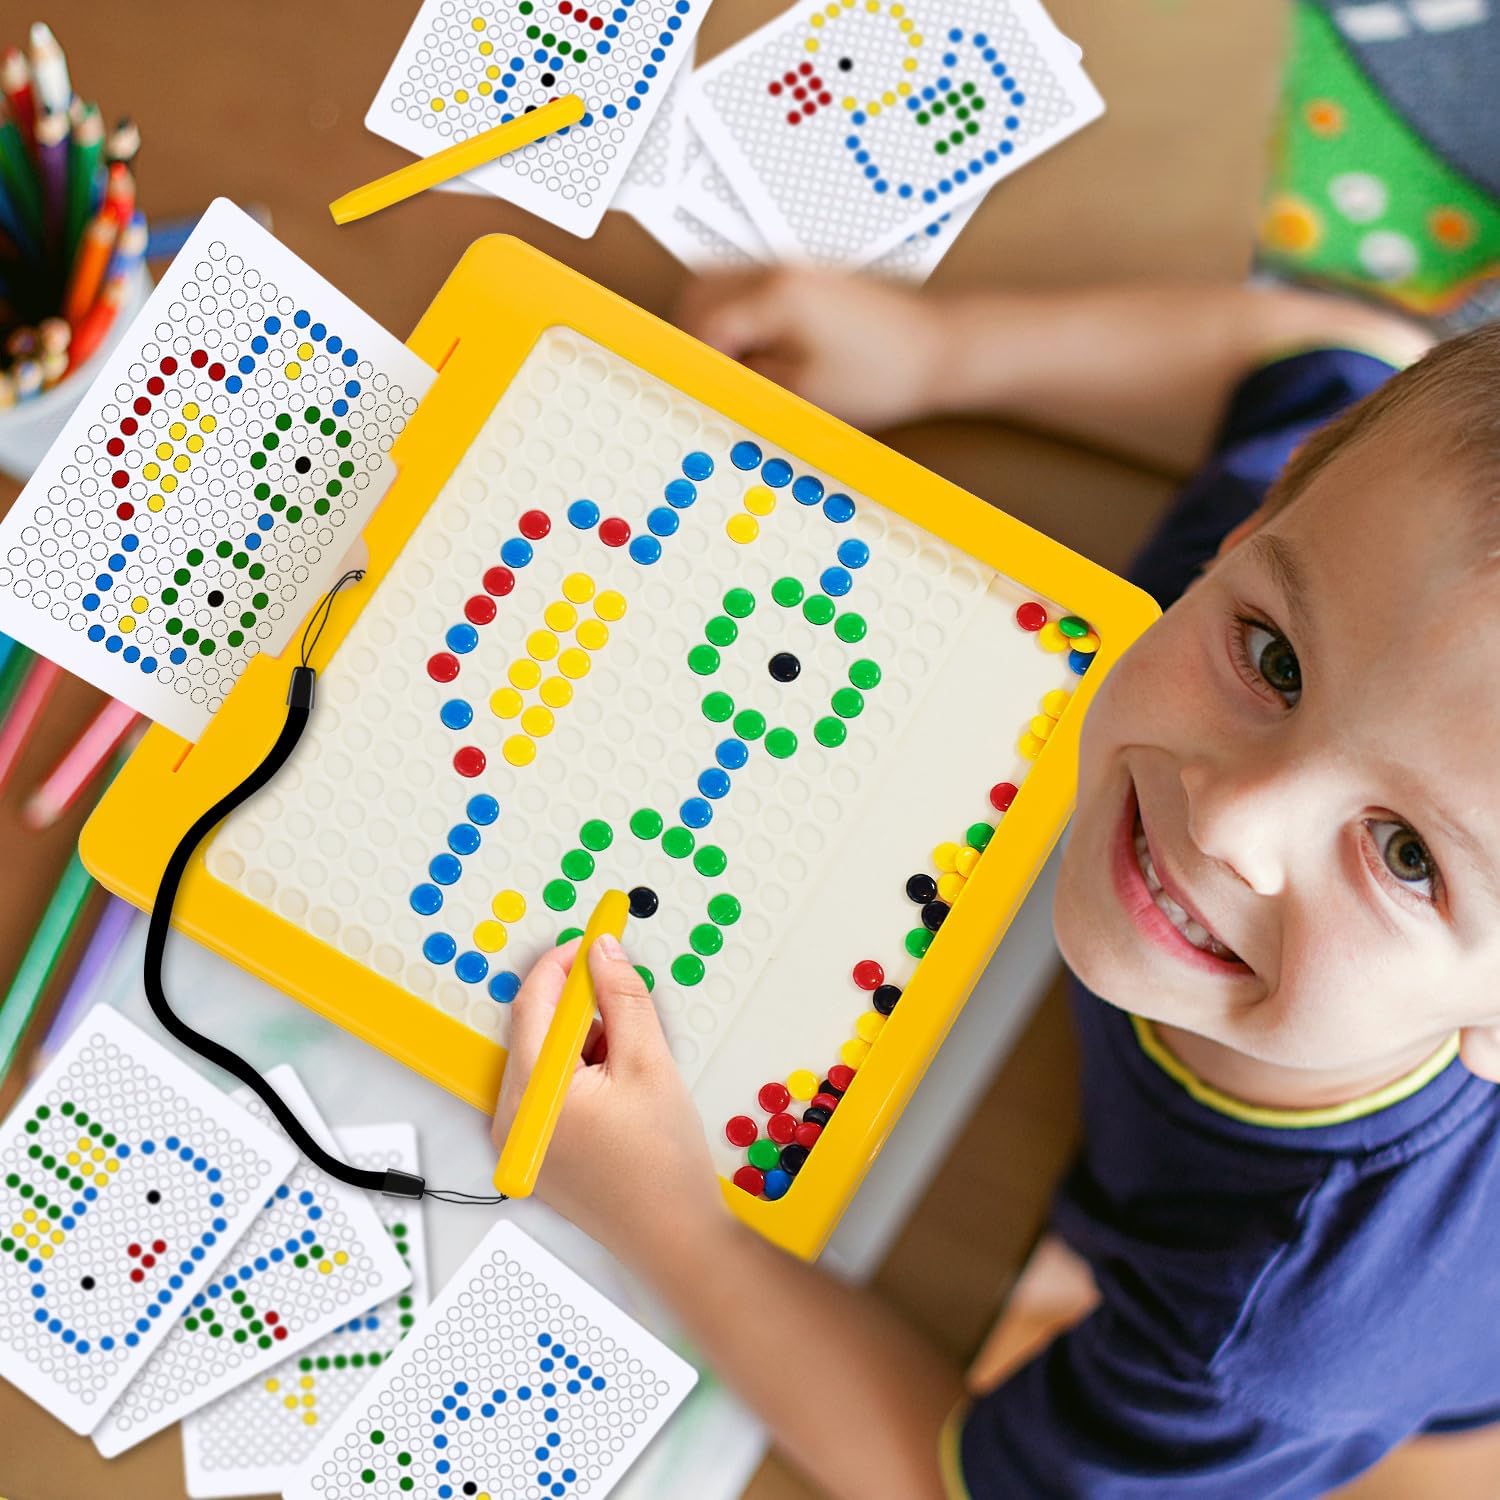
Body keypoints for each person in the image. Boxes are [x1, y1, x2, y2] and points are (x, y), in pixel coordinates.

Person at [493, 269, 1500, 1497]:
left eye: (1408, 856)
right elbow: (1330, 346)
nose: (1232, 818)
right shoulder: (1346, 573)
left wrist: (670, 1224)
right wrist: (943, 349)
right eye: (1275, 662)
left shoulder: (1273, 1336)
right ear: (1253, 530)